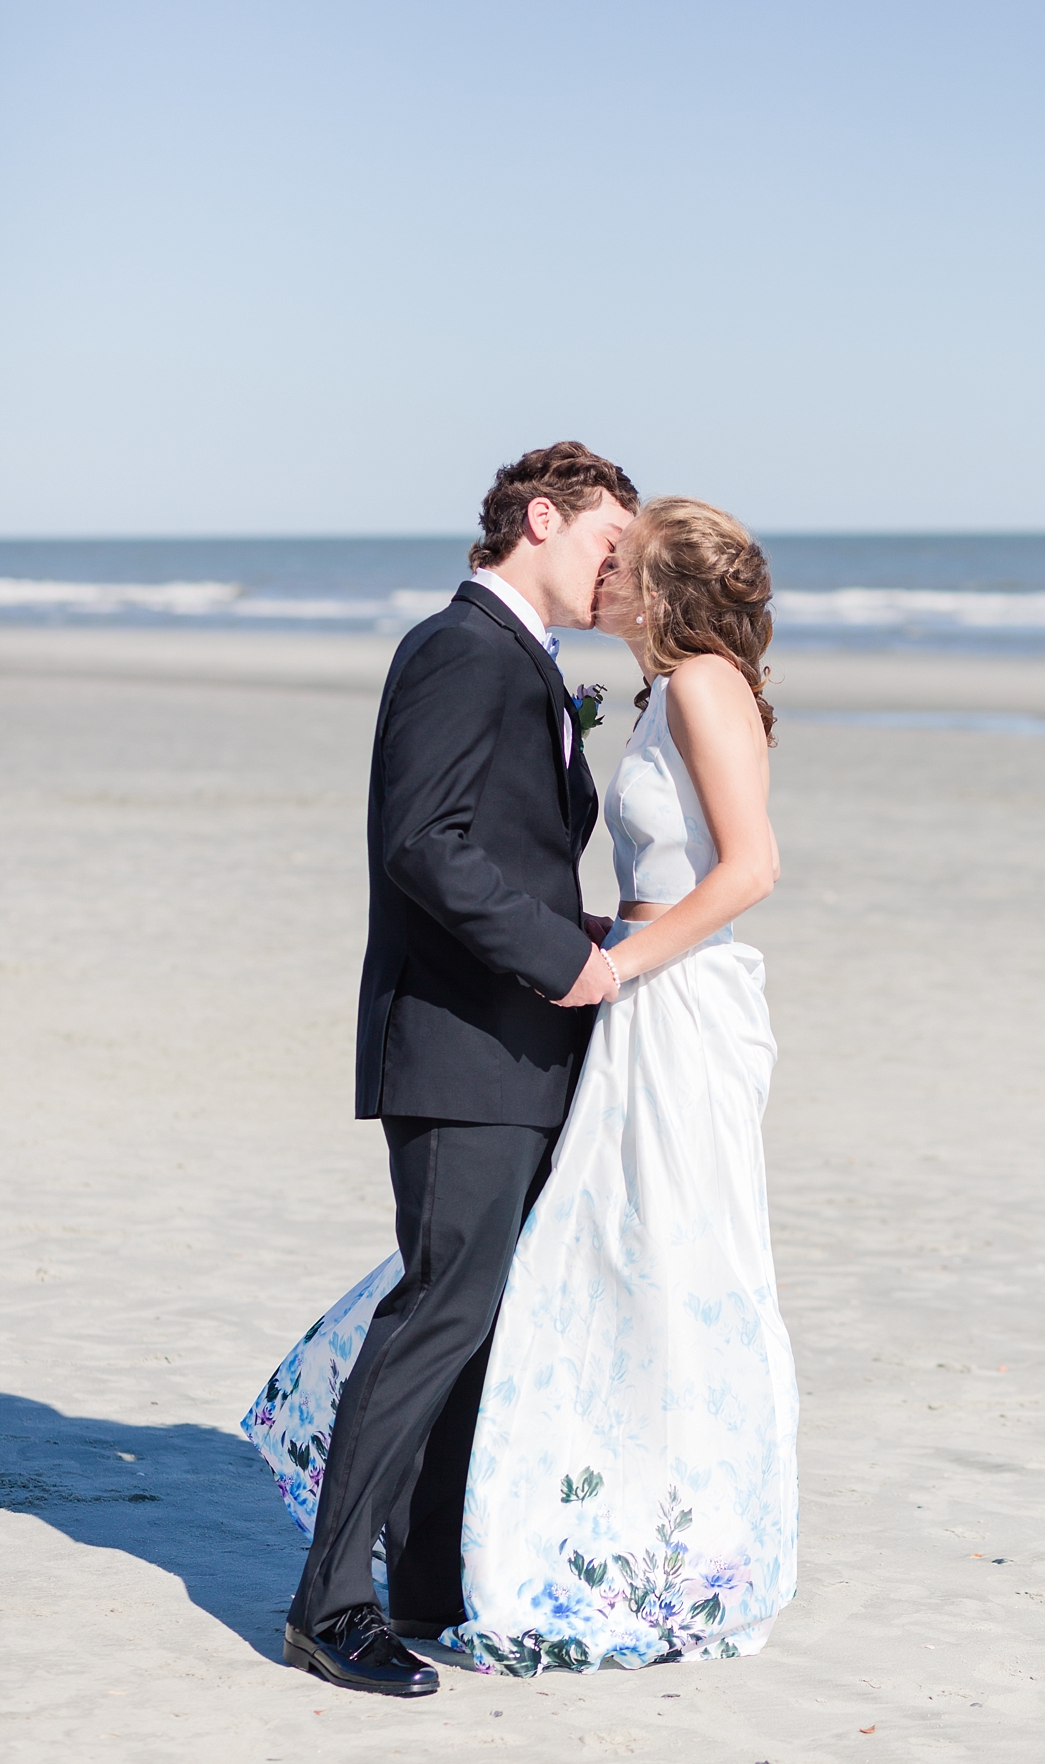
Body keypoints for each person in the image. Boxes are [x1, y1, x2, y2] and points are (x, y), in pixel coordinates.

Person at [274, 441, 639, 1695]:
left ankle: (425, 1587)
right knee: (436, 1312)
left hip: (521, 1043)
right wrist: (561, 954)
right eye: (607, 546)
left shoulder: (526, 667)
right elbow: (421, 846)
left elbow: (506, 849)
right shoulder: (456, 648)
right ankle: (331, 1609)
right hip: (459, 1046)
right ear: (541, 519)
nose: (619, 572)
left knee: (475, 1326)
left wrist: (579, 936)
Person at [447, 496, 799, 1672]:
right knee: (604, 1256)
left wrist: (619, 966)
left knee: (666, 1259)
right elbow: (673, 871)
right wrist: (592, 934)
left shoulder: (702, 682)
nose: (598, 574)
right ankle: (598, 1522)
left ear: (658, 587)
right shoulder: (667, 692)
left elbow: (752, 868)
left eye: (620, 560)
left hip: (681, 1012)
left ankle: (678, 1550)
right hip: (648, 988)